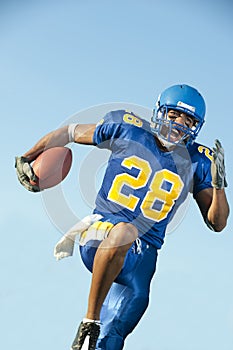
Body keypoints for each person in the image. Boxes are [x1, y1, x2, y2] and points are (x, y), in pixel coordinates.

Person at [15, 84, 229, 350]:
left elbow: (217, 223)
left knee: (112, 338)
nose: (179, 124)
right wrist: (28, 156)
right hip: (102, 233)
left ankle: (95, 337)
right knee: (125, 232)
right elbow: (68, 132)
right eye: (174, 115)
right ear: (160, 112)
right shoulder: (128, 129)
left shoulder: (199, 161)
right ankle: (89, 321)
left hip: (143, 258)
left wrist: (219, 186)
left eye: (189, 120)